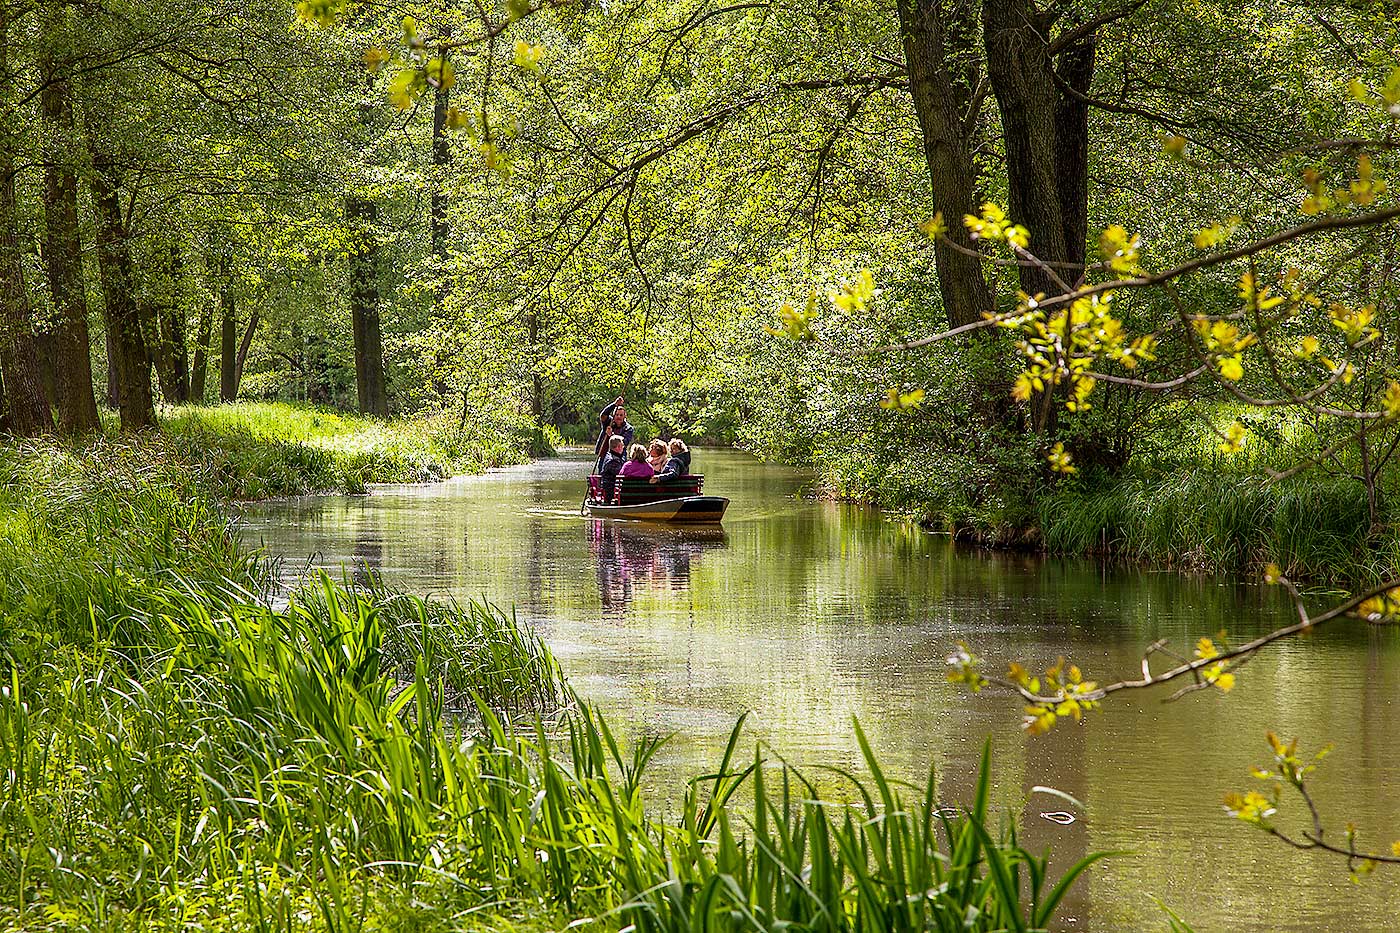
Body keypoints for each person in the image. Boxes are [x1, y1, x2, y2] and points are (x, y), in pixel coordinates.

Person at [594, 396, 634, 471]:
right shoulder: (608, 422)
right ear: (613, 415)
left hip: (619, 457)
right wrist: (615, 404)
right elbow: (603, 415)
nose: (618, 417)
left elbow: (624, 442)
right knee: (602, 474)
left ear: (625, 416)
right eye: (617, 415)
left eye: (621, 415)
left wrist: (611, 435)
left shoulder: (628, 428)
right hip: (604, 454)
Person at [598, 435, 626, 502]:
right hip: (611, 492)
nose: (623, 447)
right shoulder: (612, 461)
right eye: (622, 445)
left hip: (613, 489)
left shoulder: (611, 456)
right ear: (618, 447)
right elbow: (622, 474)